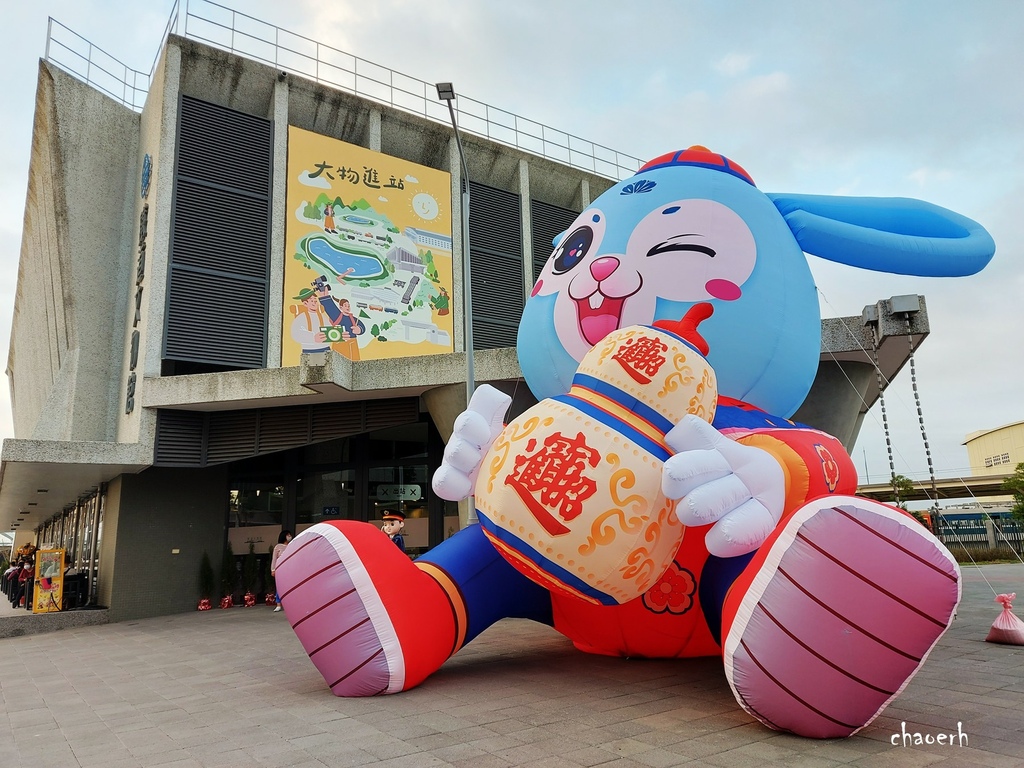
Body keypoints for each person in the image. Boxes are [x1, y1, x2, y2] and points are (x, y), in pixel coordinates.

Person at [270, 530, 293, 612]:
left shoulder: (292, 545)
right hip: (280, 569)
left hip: (290, 569)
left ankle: (290, 604)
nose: (289, 536)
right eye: (288, 535)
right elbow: (274, 559)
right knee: (280, 587)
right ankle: (278, 604)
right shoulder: (278, 547)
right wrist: (273, 569)